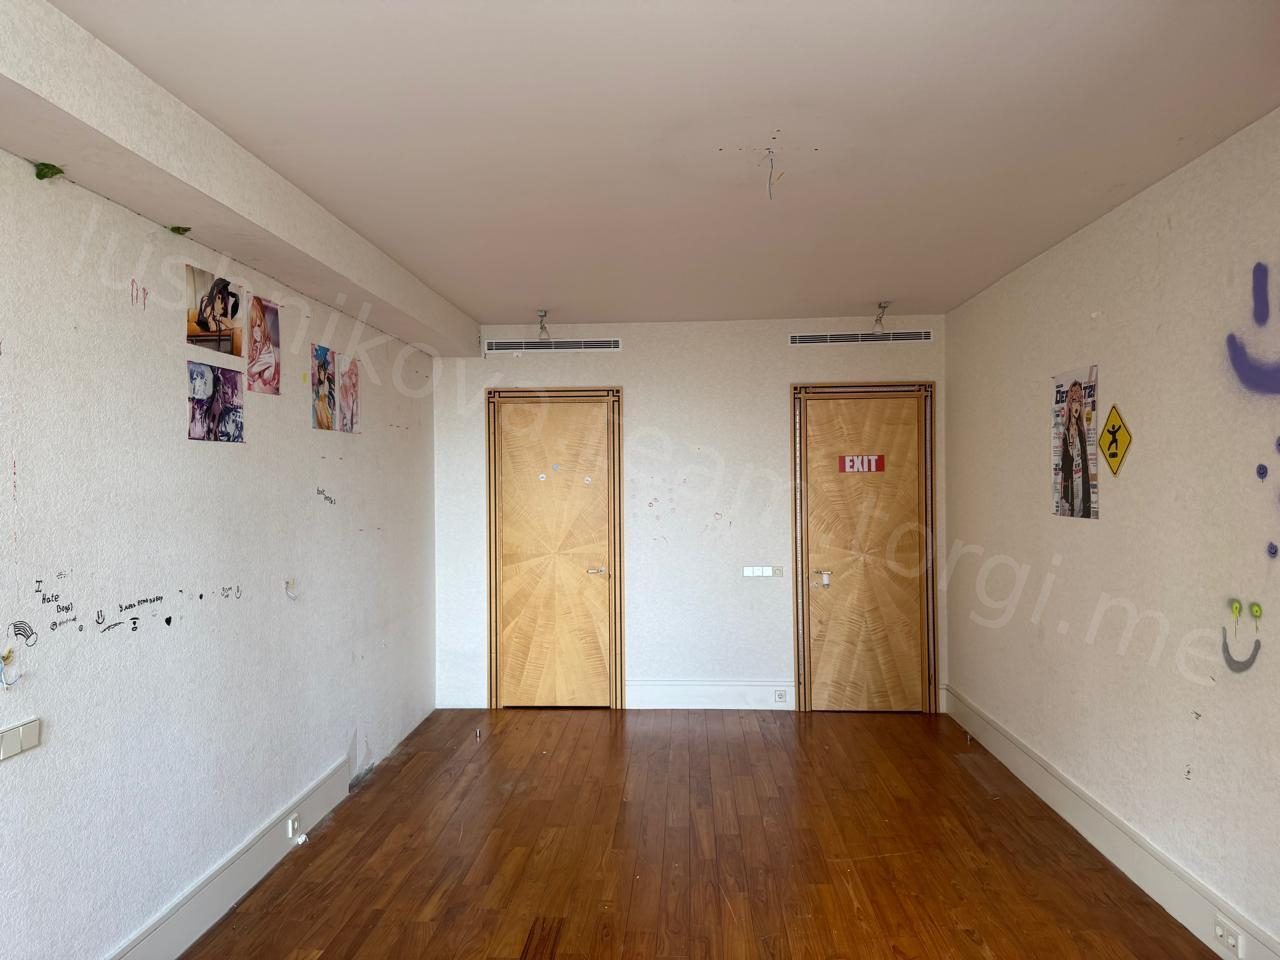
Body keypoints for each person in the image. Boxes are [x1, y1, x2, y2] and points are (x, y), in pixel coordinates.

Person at [1059, 380, 1092, 517]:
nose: (1076, 405)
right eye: (1073, 401)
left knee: (1082, 510)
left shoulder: (1082, 429)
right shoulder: (1066, 430)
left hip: (1082, 479)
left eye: (1078, 401)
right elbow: (1065, 461)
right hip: (1071, 481)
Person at [246, 297, 280, 393]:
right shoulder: (249, 345)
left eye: (259, 325)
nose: (256, 331)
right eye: (252, 326)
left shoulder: (266, 347)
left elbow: (264, 375)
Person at [313, 352, 334, 430]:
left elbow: (326, 396)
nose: (321, 373)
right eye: (320, 371)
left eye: (322, 371)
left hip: (325, 405)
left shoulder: (326, 383)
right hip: (321, 405)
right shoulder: (319, 385)